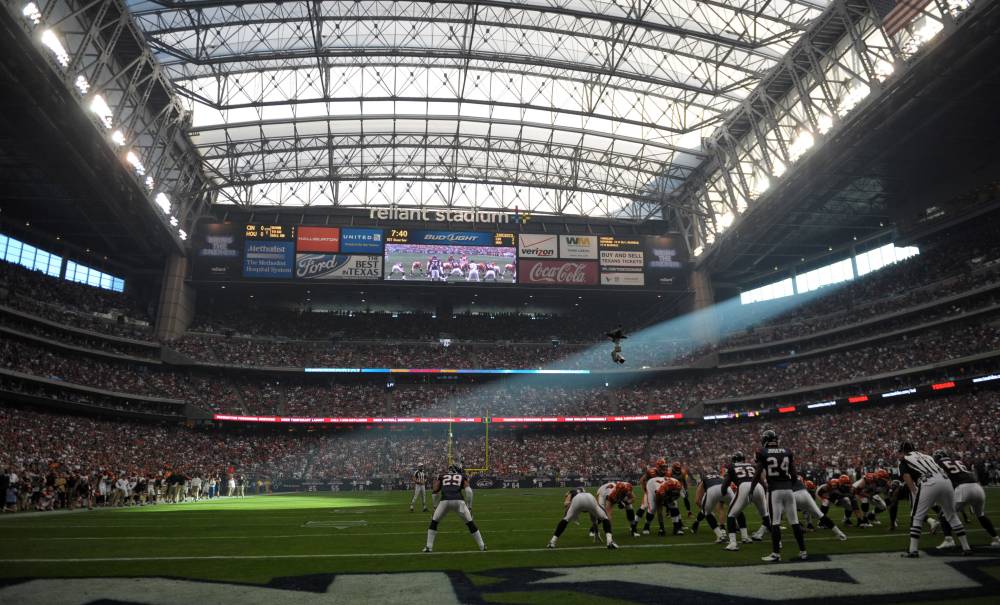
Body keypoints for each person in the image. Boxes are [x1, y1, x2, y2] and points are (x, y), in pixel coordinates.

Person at [898, 441, 971, 557]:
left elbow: (906, 476)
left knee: (917, 517)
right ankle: (966, 547)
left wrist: (914, 491)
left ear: (903, 451)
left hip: (928, 482)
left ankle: (913, 550)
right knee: (952, 515)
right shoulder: (927, 456)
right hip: (946, 481)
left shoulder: (905, 459)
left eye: (900, 452)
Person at [753, 429, 808, 562]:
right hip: (788, 489)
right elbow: (794, 475)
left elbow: (758, 472)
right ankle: (803, 551)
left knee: (775, 522)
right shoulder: (787, 451)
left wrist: (752, 488)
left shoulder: (762, 452)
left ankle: (776, 554)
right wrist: (789, 484)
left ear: (765, 440)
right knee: (794, 522)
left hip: (774, 490)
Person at [932, 450, 1000, 549]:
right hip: (977, 487)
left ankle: (949, 540)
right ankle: (996, 538)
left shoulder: (939, 464)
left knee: (944, 514)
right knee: (980, 515)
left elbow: (940, 480)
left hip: (963, 488)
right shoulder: (958, 461)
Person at [423, 465, 485, 553]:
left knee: (434, 522)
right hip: (459, 501)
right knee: (470, 523)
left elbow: (435, 492)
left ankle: (429, 547)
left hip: (444, 501)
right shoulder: (462, 476)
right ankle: (482, 546)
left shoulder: (442, 476)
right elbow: (469, 491)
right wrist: (469, 507)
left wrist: (435, 507)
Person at [723, 451, 770, 551]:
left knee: (731, 515)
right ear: (743, 459)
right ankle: (776, 541)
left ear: (734, 460)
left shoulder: (731, 466)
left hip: (744, 486)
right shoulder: (752, 466)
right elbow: (761, 480)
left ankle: (733, 543)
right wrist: (764, 492)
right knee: (765, 515)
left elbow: (726, 483)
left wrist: (723, 491)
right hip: (758, 487)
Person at [548, 487, 618, 549]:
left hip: (577, 500)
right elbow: (594, 521)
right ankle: (609, 541)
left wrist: (569, 510)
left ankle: (552, 541)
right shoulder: (584, 493)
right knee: (605, 518)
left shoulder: (572, 492)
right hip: (590, 497)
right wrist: (596, 533)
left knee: (566, 519)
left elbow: (566, 503)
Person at [691, 468, 730, 543]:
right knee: (725, 509)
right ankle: (724, 530)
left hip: (711, 491)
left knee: (707, 510)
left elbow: (697, 500)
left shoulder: (704, 479)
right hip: (723, 490)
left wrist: (706, 510)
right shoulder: (720, 477)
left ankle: (720, 533)